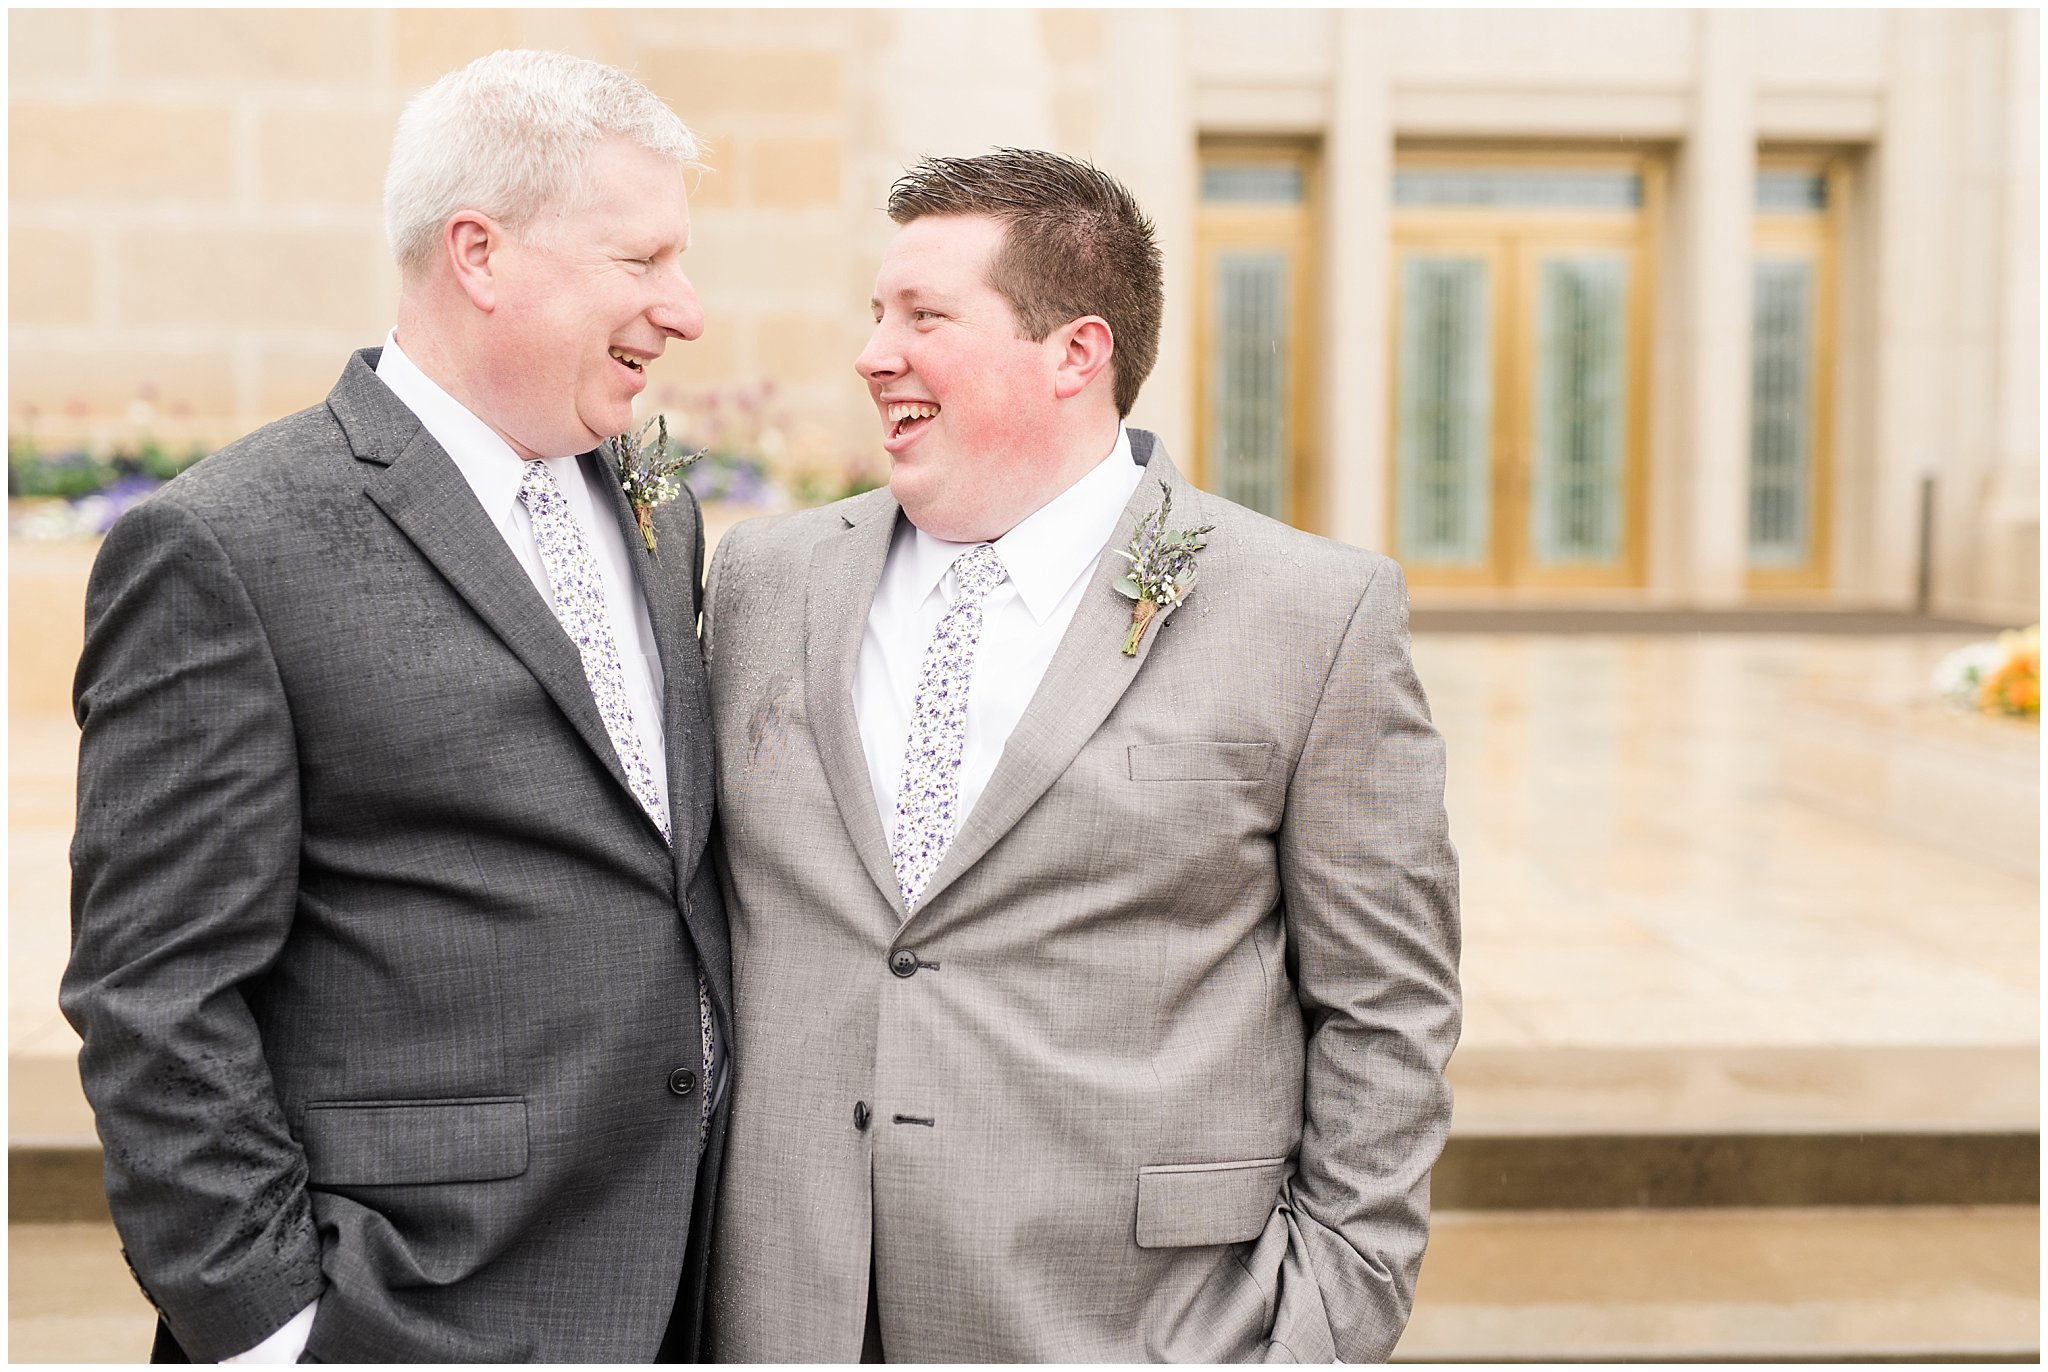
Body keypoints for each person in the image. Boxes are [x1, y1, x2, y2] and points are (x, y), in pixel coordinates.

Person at [701, 148, 1461, 1362]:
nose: (872, 352)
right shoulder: (758, 581)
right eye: (875, 313)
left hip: (1135, 1323)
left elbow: (1387, 1011)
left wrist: (1322, 1329)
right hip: (789, 1312)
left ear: (1075, 353)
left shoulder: (1311, 614)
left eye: (924, 316)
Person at [62, 49, 729, 1363]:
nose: (687, 309)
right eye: (643, 262)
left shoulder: (660, 513)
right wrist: (278, 1334)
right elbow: (155, 995)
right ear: (479, 254)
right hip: (406, 1310)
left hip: (676, 1298)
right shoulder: (230, 542)